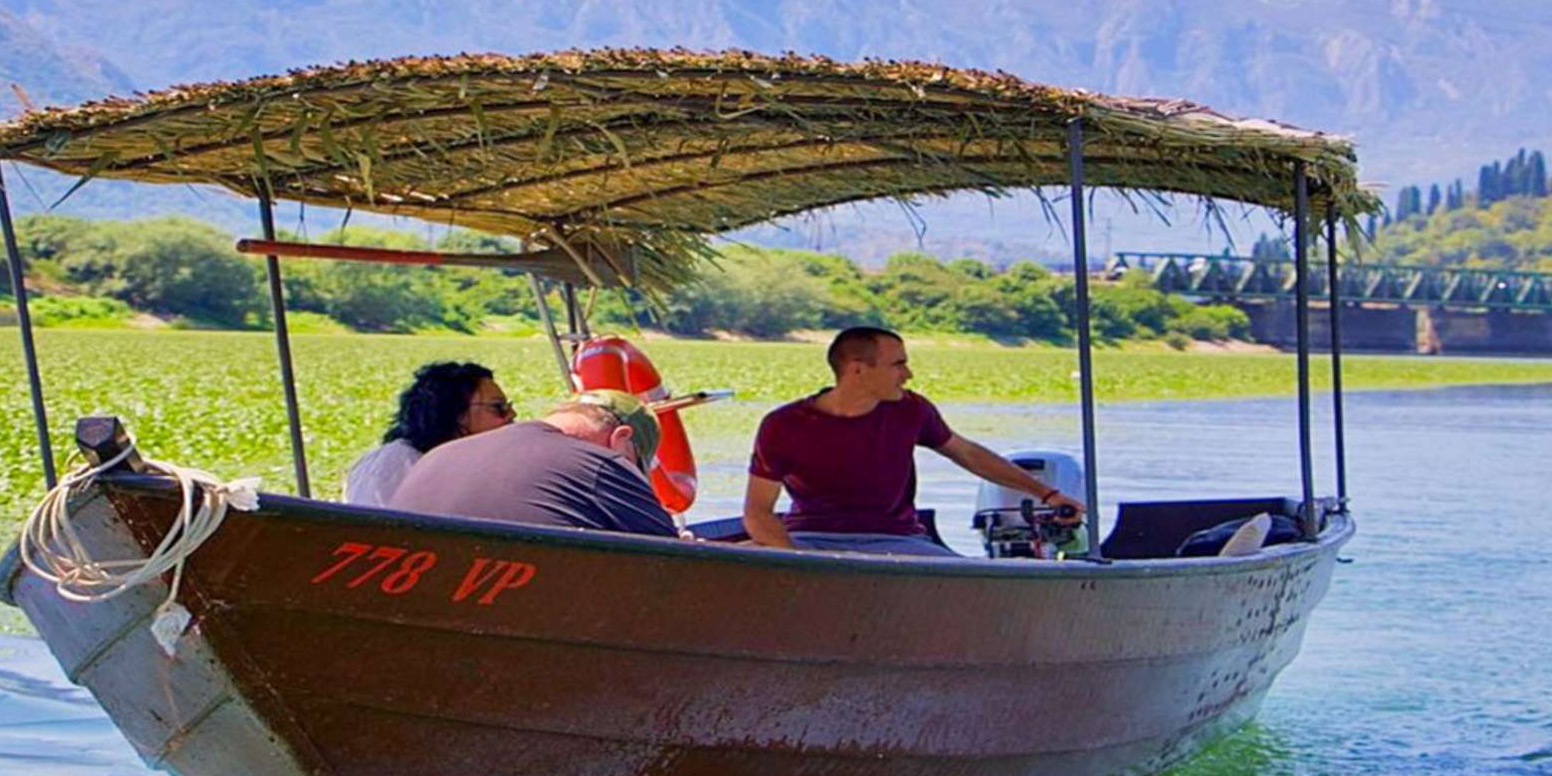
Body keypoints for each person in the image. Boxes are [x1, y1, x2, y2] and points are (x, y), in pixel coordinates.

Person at [743, 326, 1086, 556]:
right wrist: (802, 566)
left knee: (971, 584)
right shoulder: (783, 425)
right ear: (858, 369)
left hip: (900, 542)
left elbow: (967, 453)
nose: (908, 375)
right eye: (898, 365)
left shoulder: (912, 410)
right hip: (810, 540)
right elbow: (758, 513)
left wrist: (1047, 494)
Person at [389, 389, 678, 537]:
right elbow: (673, 564)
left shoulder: (439, 454)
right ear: (622, 439)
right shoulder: (602, 464)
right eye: (635, 463)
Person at [342, 361, 513, 506]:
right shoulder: (397, 462)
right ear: (454, 413)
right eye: (498, 408)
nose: (512, 415)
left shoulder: (461, 464)